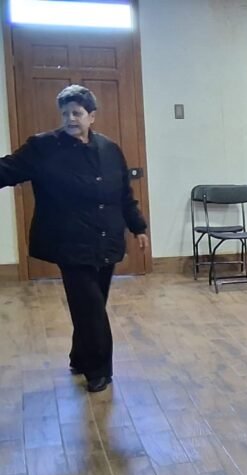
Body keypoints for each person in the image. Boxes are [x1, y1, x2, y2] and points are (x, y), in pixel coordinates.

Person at [0, 85, 148, 393]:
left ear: (91, 116)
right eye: (65, 113)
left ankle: (80, 357)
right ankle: (99, 370)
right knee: (90, 307)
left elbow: (124, 194)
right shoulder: (43, 147)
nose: (70, 118)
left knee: (92, 304)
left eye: (77, 113)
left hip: (106, 239)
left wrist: (138, 227)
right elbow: (8, 169)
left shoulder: (110, 149)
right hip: (69, 242)